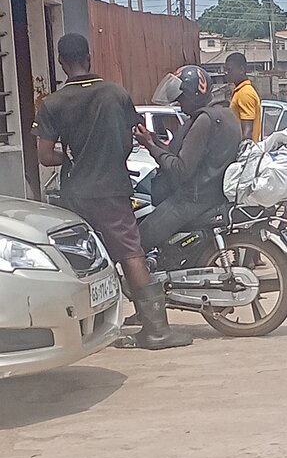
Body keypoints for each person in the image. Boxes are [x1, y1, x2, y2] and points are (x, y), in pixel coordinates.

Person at [33, 33, 191, 351]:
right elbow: (130, 139)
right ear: (90, 57)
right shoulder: (116, 94)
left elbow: (46, 156)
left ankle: (79, 330)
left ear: (62, 62)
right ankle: (156, 330)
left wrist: (74, 155)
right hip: (112, 189)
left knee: (78, 258)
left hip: (75, 193)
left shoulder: (53, 103)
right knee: (131, 253)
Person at [135, 65, 241, 250]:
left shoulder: (204, 120)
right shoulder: (226, 114)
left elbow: (180, 168)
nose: (179, 104)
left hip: (193, 199)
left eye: (181, 98)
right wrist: (154, 140)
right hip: (213, 195)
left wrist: (151, 147)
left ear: (194, 94)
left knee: (138, 243)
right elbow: (190, 154)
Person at [225, 52, 262, 140]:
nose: (226, 73)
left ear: (241, 70)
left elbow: (247, 131)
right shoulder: (240, 91)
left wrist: (241, 151)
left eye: (229, 70)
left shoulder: (245, 93)